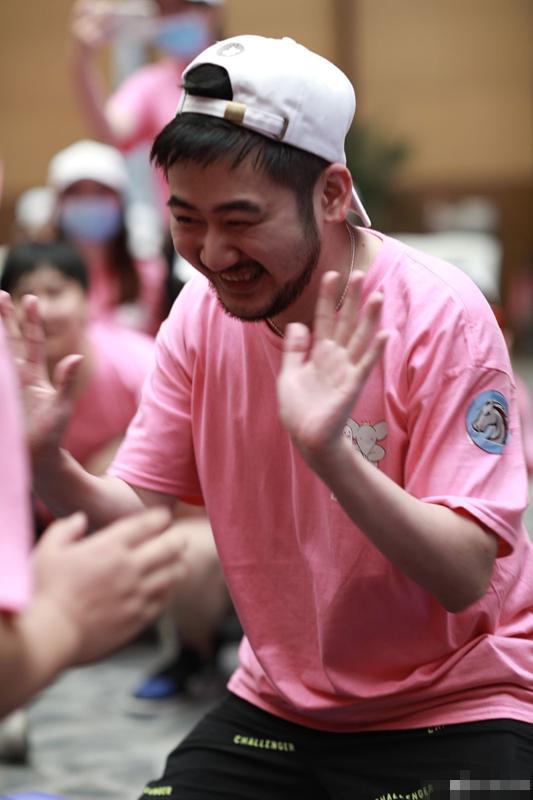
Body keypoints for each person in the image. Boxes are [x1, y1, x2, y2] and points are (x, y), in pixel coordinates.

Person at [2, 34, 532, 798]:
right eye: (187, 219)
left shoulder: (440, 317)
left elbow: (464, 575)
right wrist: (45, 463)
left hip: (460, 703)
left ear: (331, 193)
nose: (212, 253)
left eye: (240, 219)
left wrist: (332, 457)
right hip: (278, 703)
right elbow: (140, 513)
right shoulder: (199, 316)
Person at [0, 310, 184, 719]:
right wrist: (62, 616)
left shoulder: (136, 361)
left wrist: (45, 462)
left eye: (57, 291)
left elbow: (148, 509)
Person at [48, 139, 166, 335]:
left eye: (100, 192)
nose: (89, 202)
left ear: (121, 200)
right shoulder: (41, 276)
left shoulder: (148, 273)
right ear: (59, 204)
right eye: (77, 192)